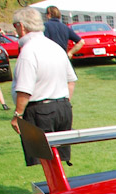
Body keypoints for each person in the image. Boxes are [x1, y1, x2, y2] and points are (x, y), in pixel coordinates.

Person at [10, 7, 77, 167]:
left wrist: (17, 115)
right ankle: (59, 190)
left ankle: (55, 191)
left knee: (46, 160)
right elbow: (71, 81)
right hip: (62, 107)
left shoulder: (28, 51)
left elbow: (24, 89)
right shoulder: (55, 47)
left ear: (22, 26)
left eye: (15, 26)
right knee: (57, 159)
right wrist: (64, 102)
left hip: (40, 110)